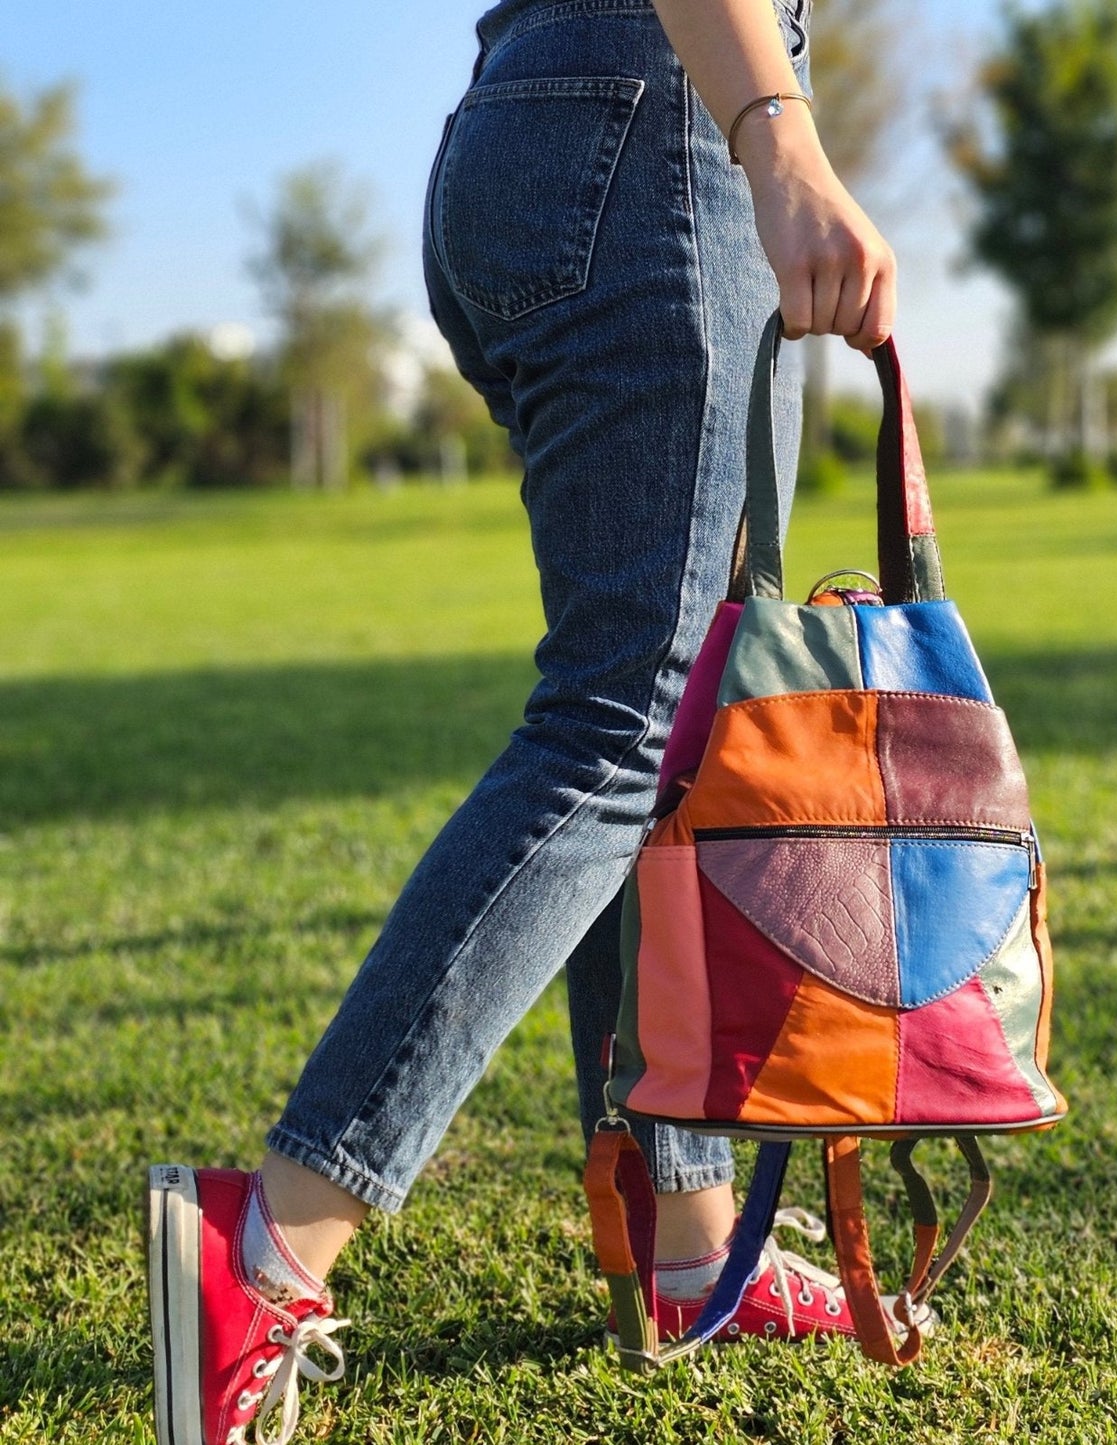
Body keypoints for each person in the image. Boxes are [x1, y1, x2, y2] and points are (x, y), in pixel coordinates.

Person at [147, 1, 896, 1440]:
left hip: (549, 117)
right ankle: (270, 1243)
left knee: (677, 733)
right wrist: (777, 131)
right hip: (663, 118)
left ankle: (688, 1241)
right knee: (632, 721)